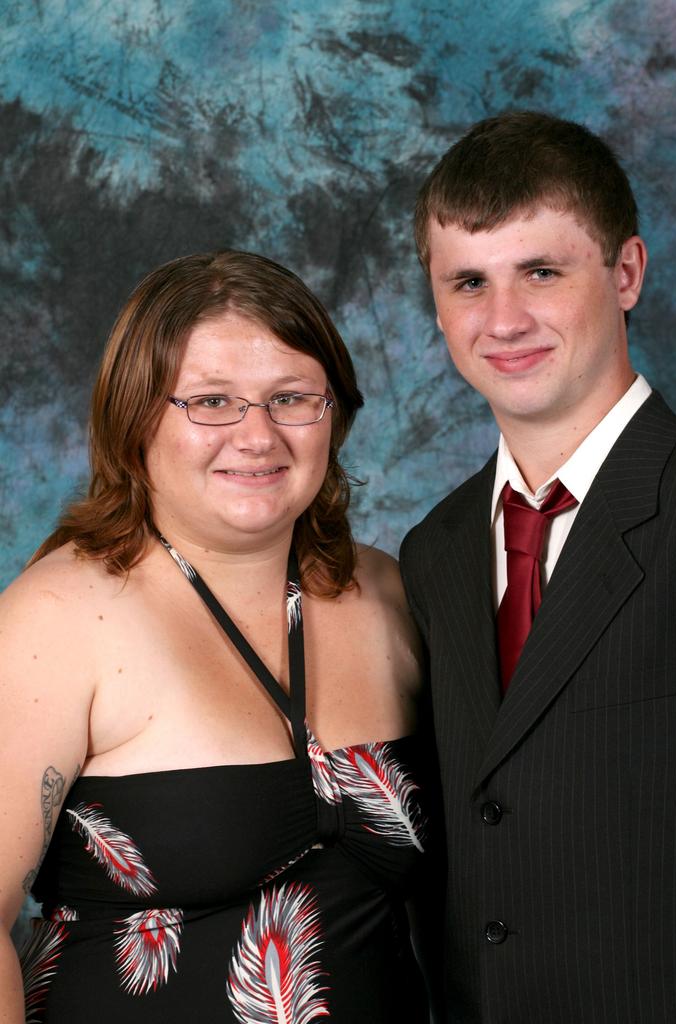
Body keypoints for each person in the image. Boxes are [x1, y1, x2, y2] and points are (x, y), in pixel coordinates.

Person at [399, 110, 676, 1023]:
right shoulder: (434, 553)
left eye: (542, 272)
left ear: (627, 273)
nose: (504, 319)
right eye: (468, 282)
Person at [0, 250, 431, 1022]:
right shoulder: (59, 617)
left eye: (291, 398)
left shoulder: (390, 592)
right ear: (135, 416)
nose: (258, 436)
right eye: (211, 401)